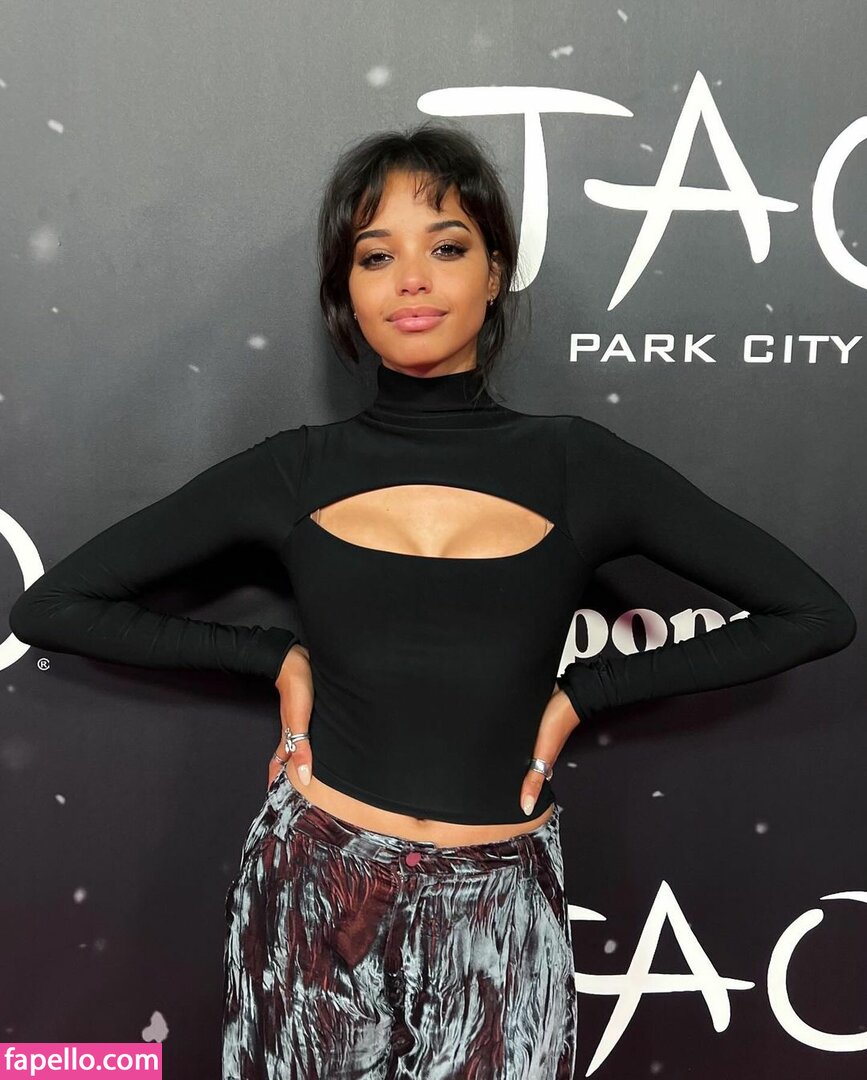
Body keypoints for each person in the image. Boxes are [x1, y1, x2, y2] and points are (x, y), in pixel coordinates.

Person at [8, 121, 857, 1080]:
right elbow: (54, 605)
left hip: (499, 908)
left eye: (445, 247)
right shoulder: (293, 471)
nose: (411, 280)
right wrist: (273, 657)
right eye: (377, 257)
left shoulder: (576, 464)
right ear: (347, 294)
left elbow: (812, 614)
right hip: (312, 886)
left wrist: (584, 696)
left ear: (494, 275)